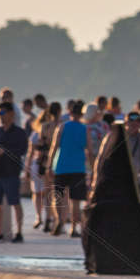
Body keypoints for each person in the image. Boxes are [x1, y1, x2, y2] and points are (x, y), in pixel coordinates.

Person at [0, 102, 29, 243]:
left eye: (2, 113)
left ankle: (19, 232)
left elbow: (22, 150)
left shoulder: (19, 132)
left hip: (11, 172)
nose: (0, 117)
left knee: (15, 203)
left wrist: (5, 151)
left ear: (11, 114)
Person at [48, 100, 92, 237]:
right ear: (81, 114)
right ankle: (73, 228)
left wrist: (49, 165)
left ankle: (59, 221)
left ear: (70, 113)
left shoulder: (62, 127)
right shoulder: (85, 129)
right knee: (76, 201)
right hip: (78, 168)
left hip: (61, 166)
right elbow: (90, 150)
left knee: (58, 197)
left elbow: (54, 147)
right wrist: (93, 168)